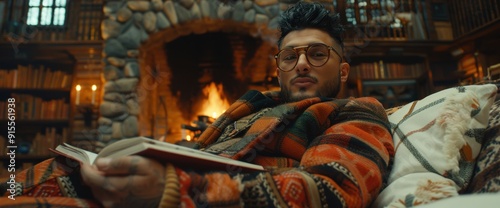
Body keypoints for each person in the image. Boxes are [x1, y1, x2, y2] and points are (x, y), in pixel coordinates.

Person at [1, 2, 394, 207]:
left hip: (176, 198)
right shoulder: (253, 106)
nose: (301, 62)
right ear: (277, 69)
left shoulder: (355, 113)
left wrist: (173, 187)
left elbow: (329, 190)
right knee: (36, 176)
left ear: (343, 72)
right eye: (289, 56)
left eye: (317, 53)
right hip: (124, 183)